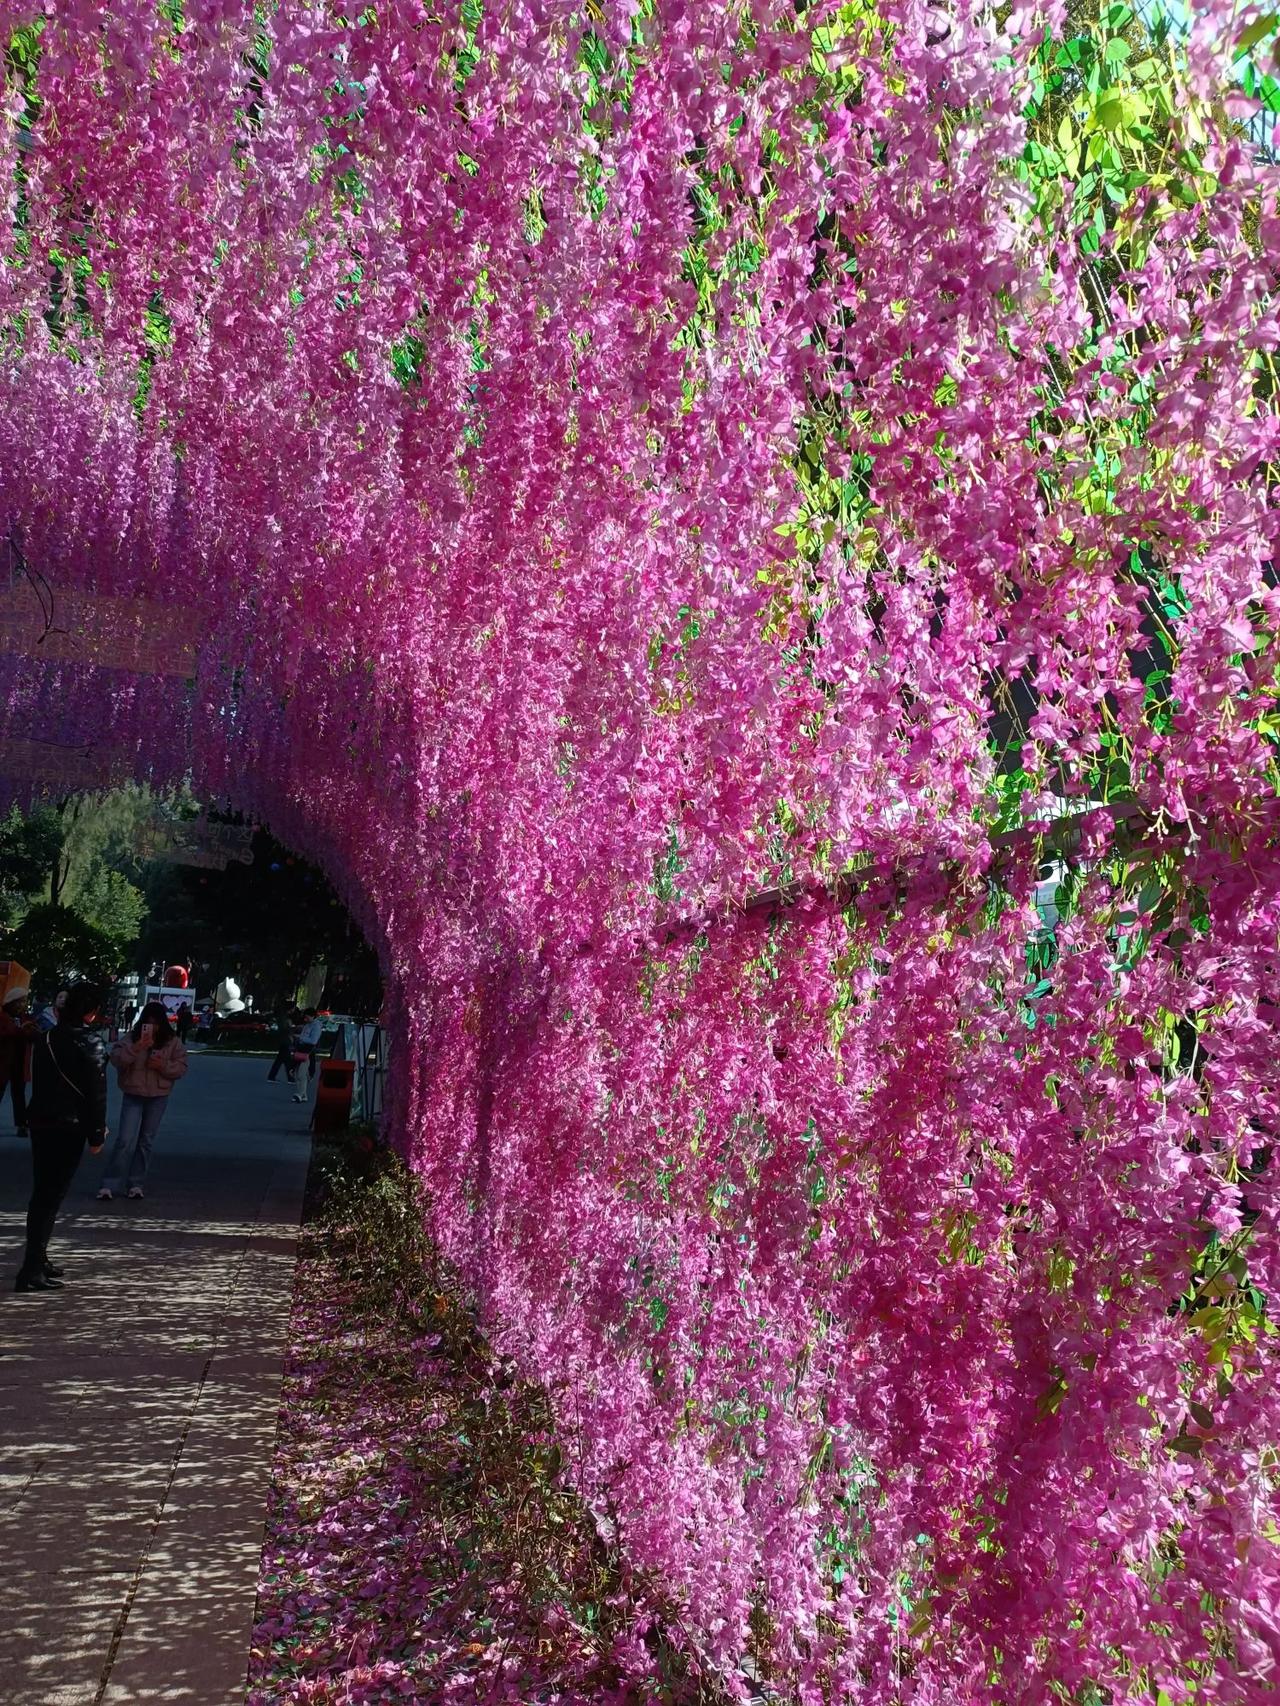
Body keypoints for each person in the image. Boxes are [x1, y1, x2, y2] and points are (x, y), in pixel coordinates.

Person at [16, 983, 108, 1293]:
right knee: (50, 1197)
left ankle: (37, 1259)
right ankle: (31, 1268)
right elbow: (96, 1094)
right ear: (90, 1012)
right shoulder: (90, 1042)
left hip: (42, 1121)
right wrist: (97, 1132)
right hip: (69, 1127)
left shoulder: (47, 1039)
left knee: (43, 1192)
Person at [98, 1000, 188, 1202]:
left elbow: (181, 1067)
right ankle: (109, 1184)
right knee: (125, 1140)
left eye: (156, 1023)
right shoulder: (132, 1038)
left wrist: (162, 1065)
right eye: (148, 1022)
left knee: (146, 1141)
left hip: (158, 1095)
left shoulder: (172, 1041)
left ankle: (136, 1183)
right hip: (133, 1093)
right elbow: (116, 1059)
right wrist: (137, 1047)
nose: (152, 1027)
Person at [0, 984, 37, 1138]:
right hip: (2, 1063)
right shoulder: (2, 1017)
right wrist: (22, 1031)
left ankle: (22, 1124)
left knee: (19, 1094)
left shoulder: (26, 1018)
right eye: (18, 1002)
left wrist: (29, 1031)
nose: (21, 1005)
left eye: (23, 1002)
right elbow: (7, 1033)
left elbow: (34, 1035)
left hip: (19, 1063)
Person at [292, 1008, 323, 1103]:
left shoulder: (316, 1026)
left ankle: (300, 1094)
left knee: (301, 1072)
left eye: (307, 1017)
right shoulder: (307, 1025)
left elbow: (313, 1041)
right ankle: (303, 1094)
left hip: (308, 1051)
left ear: (313, 1016)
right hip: (301, 1049)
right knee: (298, 1073)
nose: (305, 1019)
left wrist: (301, 1038)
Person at [266, 1007, 298, 1084]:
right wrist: (293, 1029)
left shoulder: (281, 1018)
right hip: (285, 1041)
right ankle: (290, 1078)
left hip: (283, 1041)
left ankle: (272, 1076)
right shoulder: (285, 1019)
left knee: (280, 1060)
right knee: (287, 1061)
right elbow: (286, 1030)